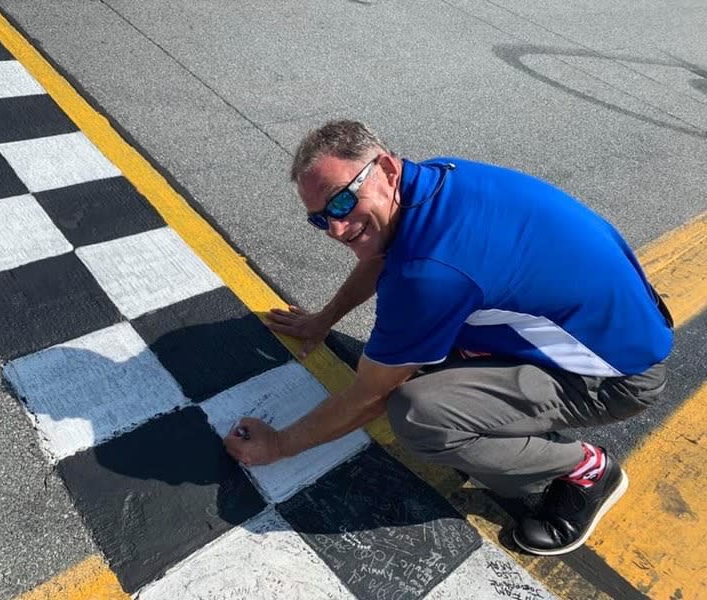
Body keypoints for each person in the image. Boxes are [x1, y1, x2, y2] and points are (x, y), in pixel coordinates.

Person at [222, 120, 673, 556]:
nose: (336, 230)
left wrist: (279, 446)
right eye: (319, 220)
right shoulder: (433, 179)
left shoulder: (430, 273)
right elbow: (384, 254)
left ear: (386, 169)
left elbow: (369, 396)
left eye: (340, 204)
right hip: (625, 319)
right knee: (422, 351)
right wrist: (325, 318)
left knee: (421, 416)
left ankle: (588, 471)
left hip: (618, 376)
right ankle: (497, 405)